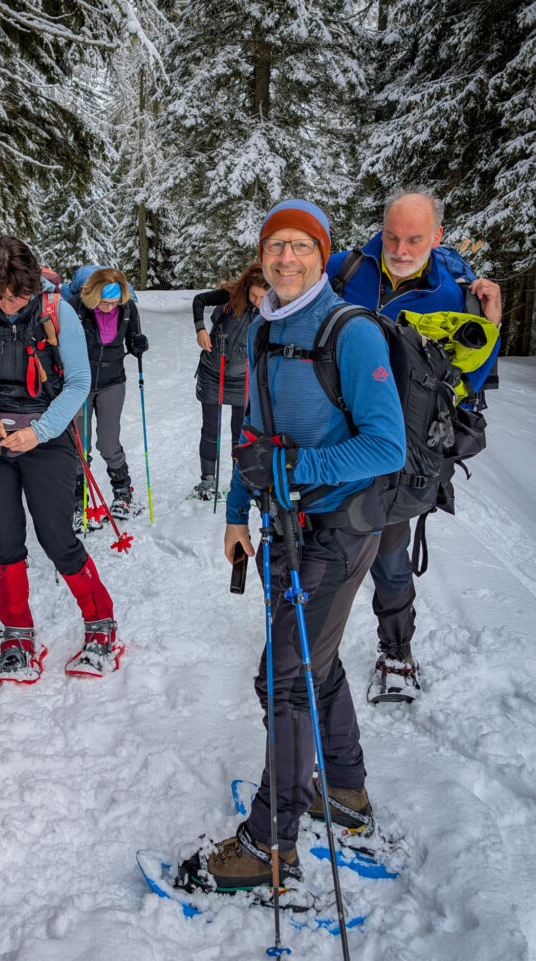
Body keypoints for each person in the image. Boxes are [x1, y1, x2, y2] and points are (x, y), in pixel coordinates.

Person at [184, 199, 406, 893]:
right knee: (315, 660)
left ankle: (268, 844)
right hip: (282, 527)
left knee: (282, 679)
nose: (285, 258)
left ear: (322, 254)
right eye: (275, 246)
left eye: (300, 247)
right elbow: (253, 429)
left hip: (339, 529)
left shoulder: (353, 332)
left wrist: (296, 471)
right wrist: (235, 512)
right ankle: (343, 792)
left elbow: (385, 444)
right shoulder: (259, 327)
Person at [326, 187, 502, 703]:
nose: (400, 249)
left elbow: (466, 384)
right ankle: (309, 644)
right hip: (332, 439)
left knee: (389, 557)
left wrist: (488, 325)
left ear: (437, 237)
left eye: (415, 239)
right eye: (392, 236)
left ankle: (396, 649)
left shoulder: (455, 295)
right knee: (317, 549)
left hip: (398, 453)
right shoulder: (343, 270)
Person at [0, 235, 122, 681]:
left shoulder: (58, 312)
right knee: (5, 540)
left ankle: (102, 625)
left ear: (33, 287)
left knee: (57, 537)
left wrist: (40, 432)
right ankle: (17, 637)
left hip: (46, 437)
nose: (8, 304)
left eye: (17, 295)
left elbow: (78, 383)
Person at [69, 267, 148, 528]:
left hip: (112, 382)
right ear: (92, 296)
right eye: (104, 302)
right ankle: (78, 504)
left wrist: (138, 343)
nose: (109, 307)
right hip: (79, 383)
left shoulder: (127, 310)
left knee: (108, 442)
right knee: (80, 446)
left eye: (114, 302)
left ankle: (123, 494)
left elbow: (133, 338)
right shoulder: (75, 308)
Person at [191, 264, 268, 500]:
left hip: (243, 376)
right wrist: (200, 329)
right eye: (254, 295)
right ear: (246, 288)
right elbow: (199, 300)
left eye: (262, 297)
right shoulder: (231, 294)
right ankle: (208, 480)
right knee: (211, 428)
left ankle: (241, 480)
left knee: (240, 431)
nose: (257, 301)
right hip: (213, 370)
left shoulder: (274, 306)